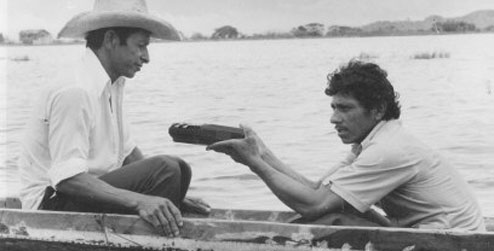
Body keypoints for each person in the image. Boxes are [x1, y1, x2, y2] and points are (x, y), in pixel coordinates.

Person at [207, 60, 486, 231]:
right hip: (424, 235)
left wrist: (253, 163)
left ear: (377, 110)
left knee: (329, 220)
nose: (334, 118)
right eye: (333, 107)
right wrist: (263, 153)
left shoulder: (388, 150)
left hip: (450, 243)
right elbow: (317, 190)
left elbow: (314, 205)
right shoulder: (372, 143)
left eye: (345, 108)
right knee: (337, 212)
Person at [18, 0, 209, 237]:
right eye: (140, 46)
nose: (146, 57)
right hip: (51, 206)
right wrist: (141, 201)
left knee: (180, 170)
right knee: (167, 170)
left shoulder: (113, 83)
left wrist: (170, 197)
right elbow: (67, 179)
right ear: (110, 40)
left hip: (83, 193)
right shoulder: (76, 90)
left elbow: (128, 153)